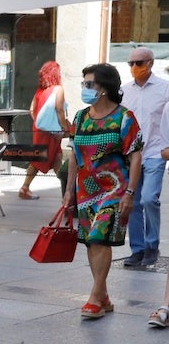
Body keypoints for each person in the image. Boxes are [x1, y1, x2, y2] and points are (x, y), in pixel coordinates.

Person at [64, 62, 143, 320]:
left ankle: (95, 297)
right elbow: (74, 157)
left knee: (100, 237)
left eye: (90, 84)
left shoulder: (124, 117)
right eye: (83, 84)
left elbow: (136, 156)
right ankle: (104, 296)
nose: (85, 88)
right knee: (90, 242)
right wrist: (68, 192)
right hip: (86, 191)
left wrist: (130, 193)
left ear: (105, 88)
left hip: (115, 189)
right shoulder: (80, 117)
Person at [120, 47, 169, 268]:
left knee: (149, 198)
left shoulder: (164, 88)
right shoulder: (124, 91)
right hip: (131, 156)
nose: (134, 68)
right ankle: (138, 250)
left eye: (138, 63)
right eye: (130, 64)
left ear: (150, 63)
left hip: (154, 153)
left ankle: (152, 246)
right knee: (134, 202)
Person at [22, 60, 69, 200]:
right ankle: (68, 191)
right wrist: (64, 127)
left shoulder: (40, 91)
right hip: (52, 131)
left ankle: (25, 188)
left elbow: (32, 110)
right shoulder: (57, 89)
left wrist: (42, 123)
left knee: (54, 156)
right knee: (44, 157)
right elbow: (60, 110)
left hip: (40, 129)